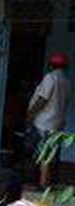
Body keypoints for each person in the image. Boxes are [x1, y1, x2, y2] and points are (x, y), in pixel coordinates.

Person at [28, 53, 70, 188]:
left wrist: (30, 114)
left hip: (45, 122)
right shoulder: (66, 81)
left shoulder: (50, 78)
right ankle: (49, 182)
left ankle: (43, 183)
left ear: (51, 65)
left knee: (44, 152)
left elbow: (42, 99)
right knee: (51, 153)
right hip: (58, 122)